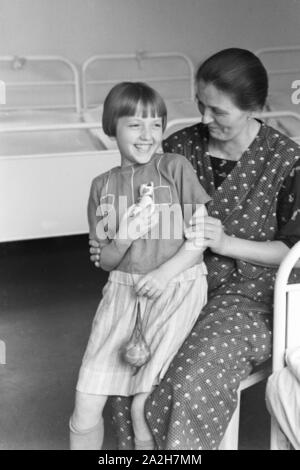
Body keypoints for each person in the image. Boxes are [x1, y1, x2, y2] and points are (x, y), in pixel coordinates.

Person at [90, 48, 300, 450]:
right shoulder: (178, 149)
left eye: (218, 111)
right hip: (176, 283)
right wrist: (112, 239)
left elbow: (293, 252)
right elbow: (131, 197)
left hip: (249, 298)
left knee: (188, 381)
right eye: (200, 105)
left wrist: (225, 243)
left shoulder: (287, 161)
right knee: (125, 369)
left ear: (254, 107)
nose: (204, 119)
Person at [70, 81, 212, 450]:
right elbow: (106, 261)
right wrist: (125, 235)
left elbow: (201, 237)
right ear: (111, 127)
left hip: (177, 288)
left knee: (142, 405)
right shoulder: (101, 186)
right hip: (121, 295)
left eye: (156, 125)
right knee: (86, 401)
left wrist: (164, 274)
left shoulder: (175, 168)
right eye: (135, 125)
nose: (148, 135)